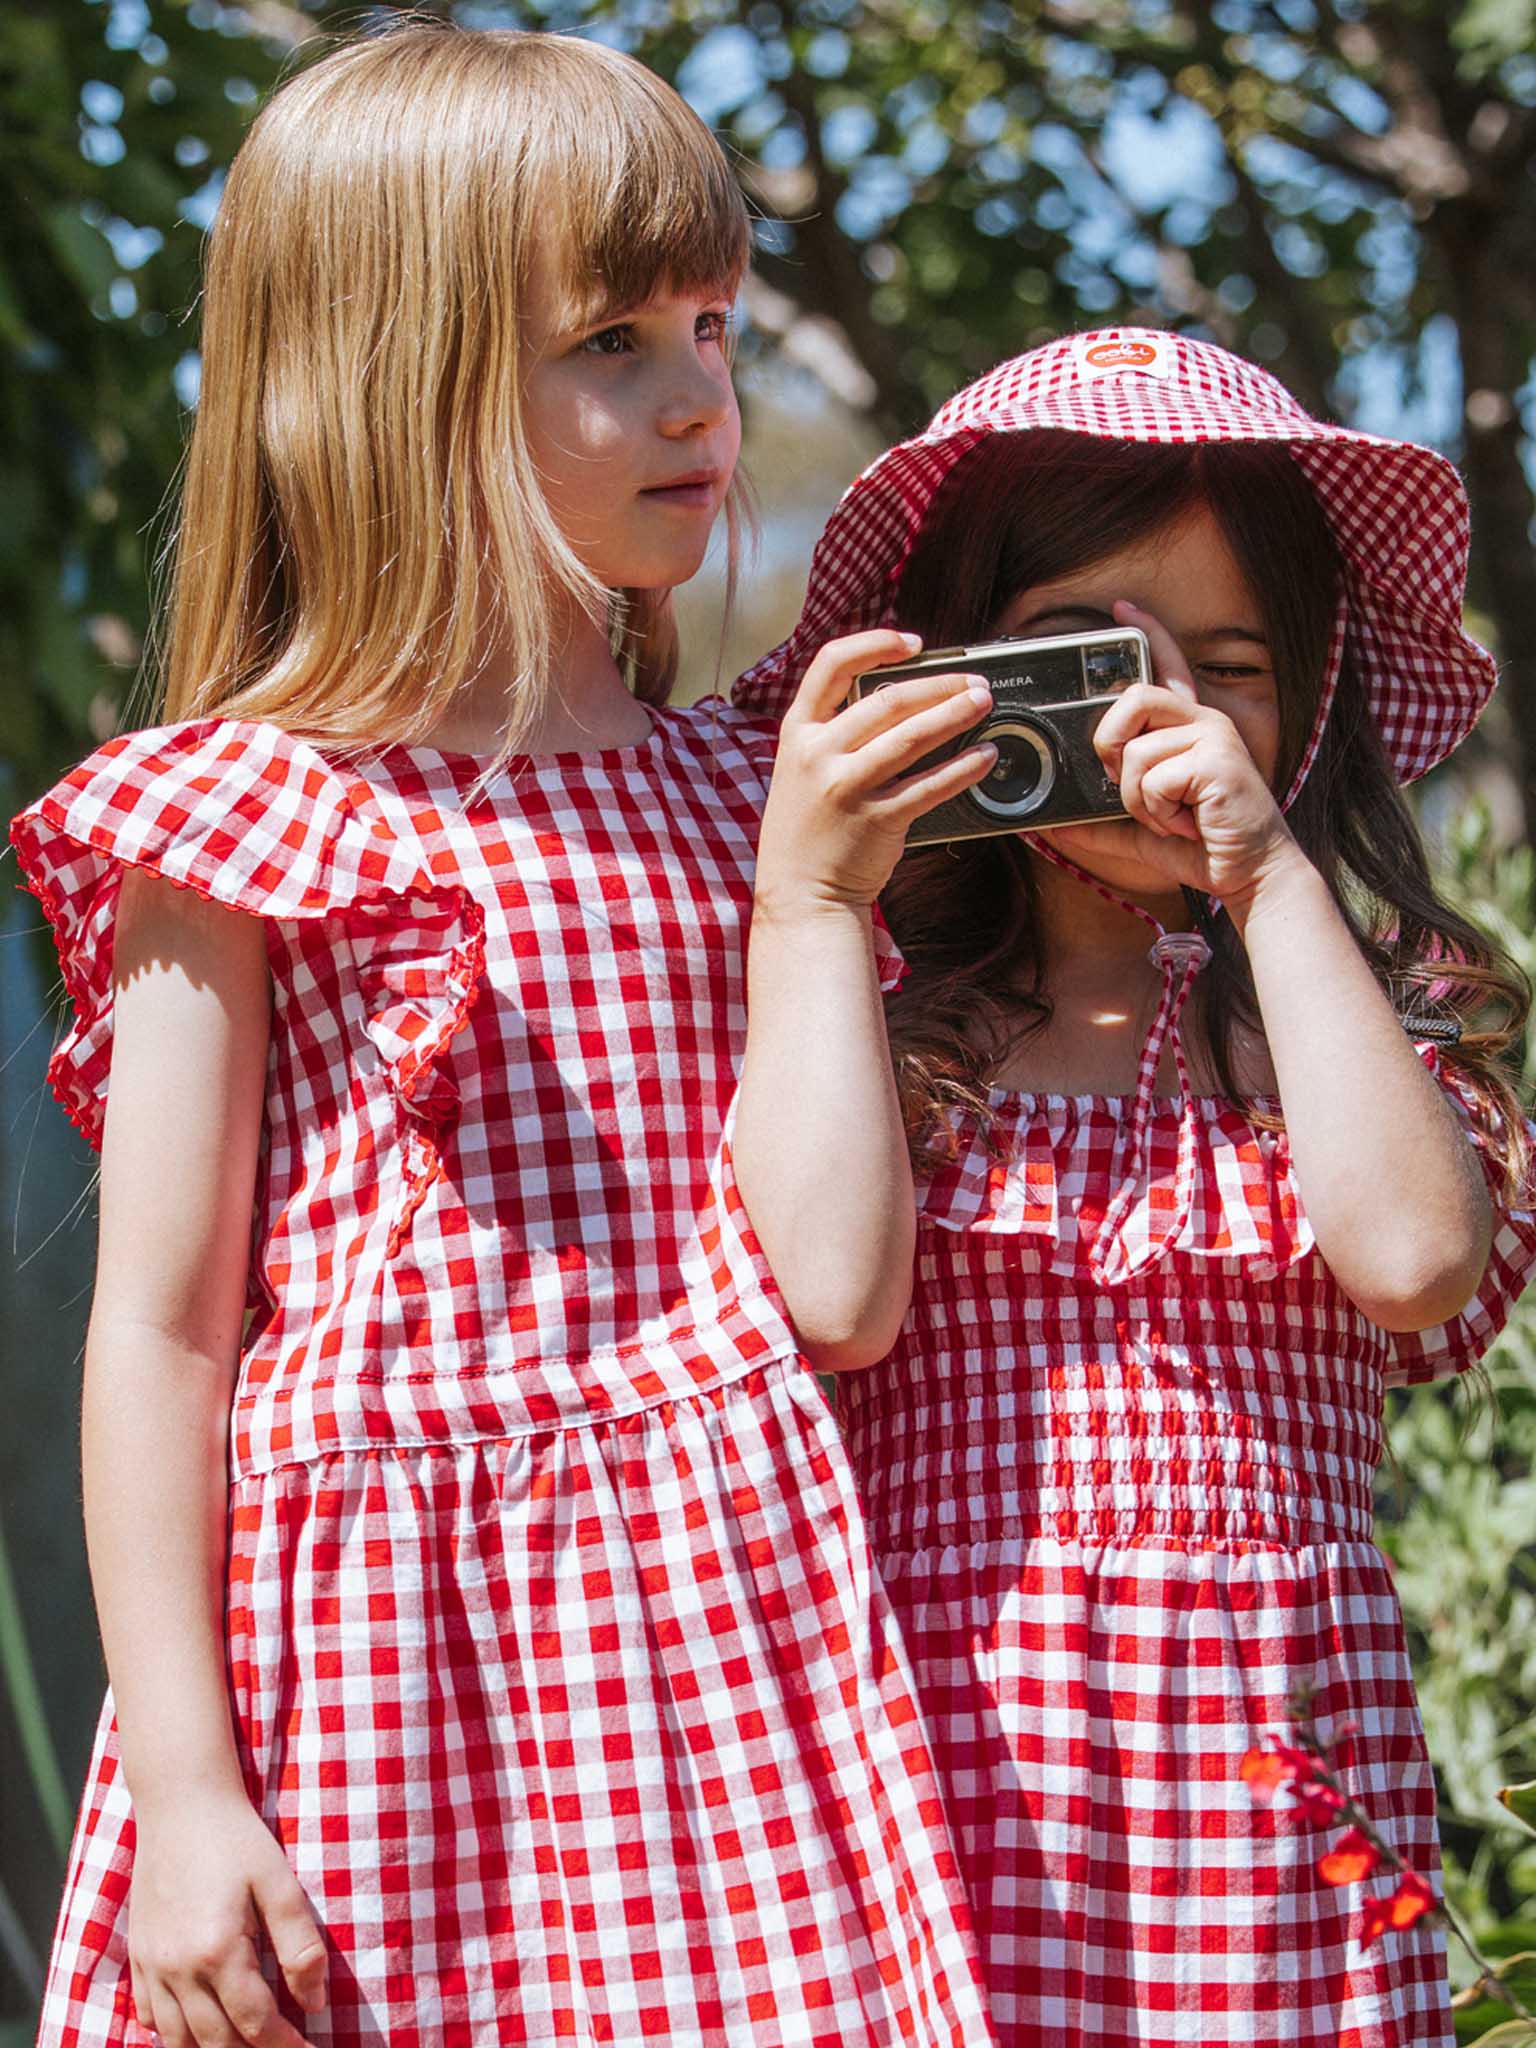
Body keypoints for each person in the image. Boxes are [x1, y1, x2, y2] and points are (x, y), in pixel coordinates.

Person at [10, 26, 999, 2048]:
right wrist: (191, 1791)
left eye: (713, 325)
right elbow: (165, 1331)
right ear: (394, 370)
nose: (701, 392)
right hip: (366, 1663)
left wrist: (817, 895)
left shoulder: (755, 799)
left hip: (718, 1637)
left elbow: (840, 1294)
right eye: (613, 338)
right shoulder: (238, 809)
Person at [730, 328, 1536, 2046]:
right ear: (956, 682)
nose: (1154, 719)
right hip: (948, 1788)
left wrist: (1266, 882)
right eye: (1080, 657)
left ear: (1312, 707)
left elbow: (1409, 1259)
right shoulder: (878, 1023)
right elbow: (830, 1296)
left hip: (1274, 1828)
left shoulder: (1339, 1030)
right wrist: (806, 909)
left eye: (1230, 669)